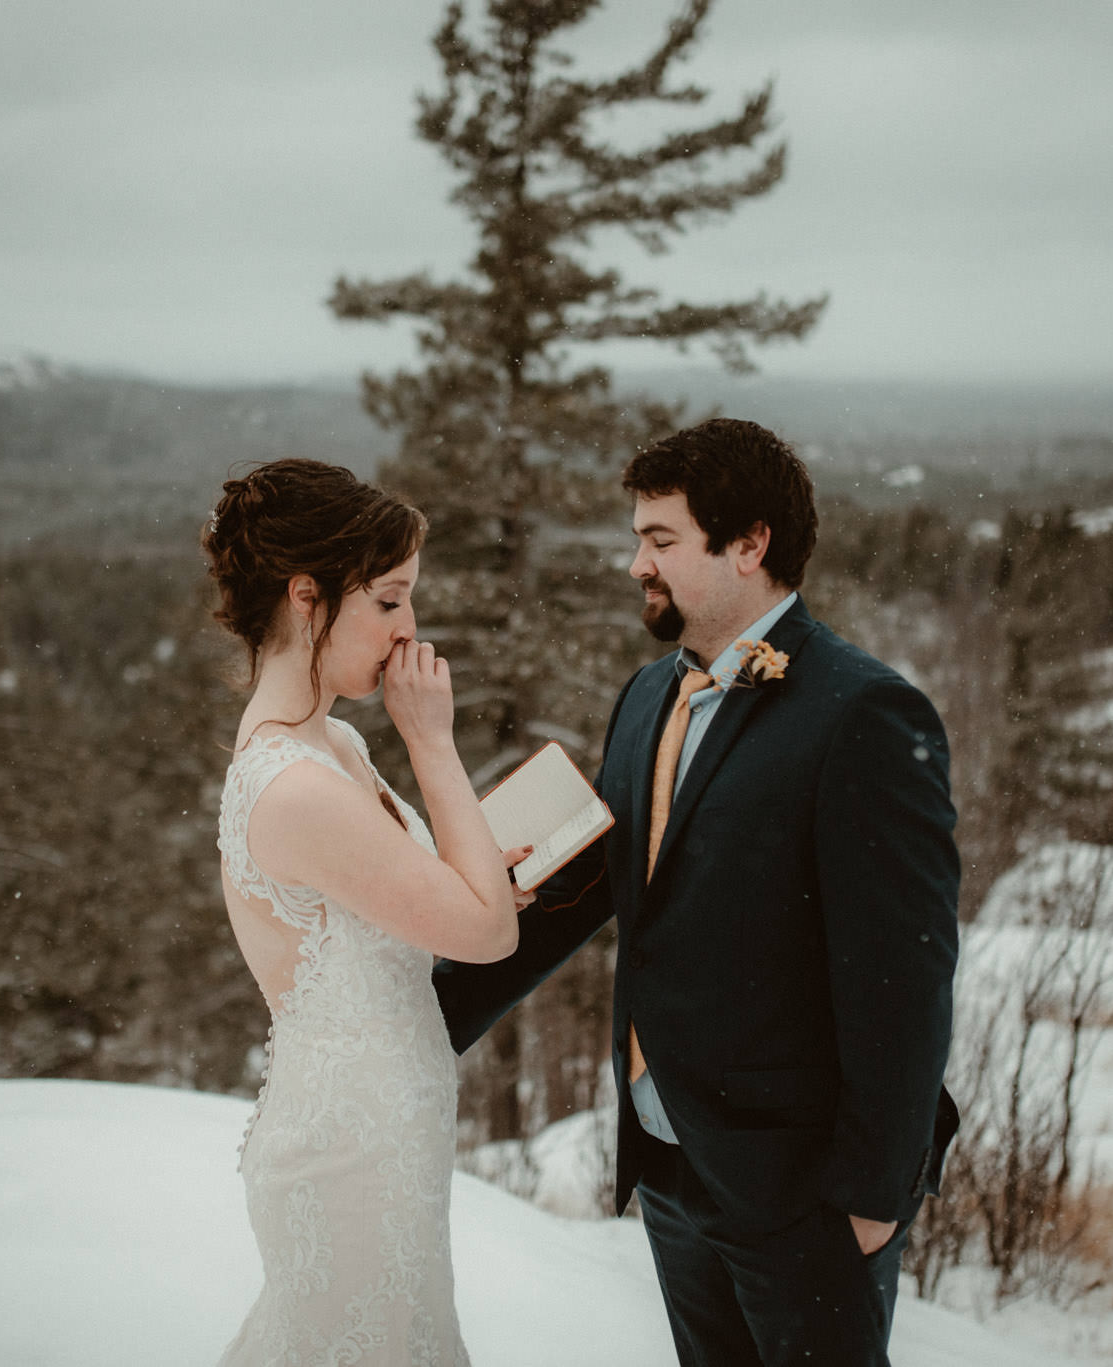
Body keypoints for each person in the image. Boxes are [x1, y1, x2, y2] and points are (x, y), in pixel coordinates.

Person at [434, 419, 960, 1366]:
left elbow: (903, 979)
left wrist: (874, 1197)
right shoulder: (646, 696)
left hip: (804, 1191)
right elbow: (582, 884)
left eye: (660, 539)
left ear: (750, 544)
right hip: (669, 1167)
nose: (636, 561)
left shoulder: (864, 714)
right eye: (639, 537)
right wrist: (418, 1016)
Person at [204, 458, 528, 1366]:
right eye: (388, 600)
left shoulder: (334, 740)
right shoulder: (294, 784)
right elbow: (488, 934)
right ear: (308, 598)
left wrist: (482, 876)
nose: (408, 627)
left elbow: (420, 908)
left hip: (387, 1137)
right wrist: (431, 740)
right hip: (347, 1159)